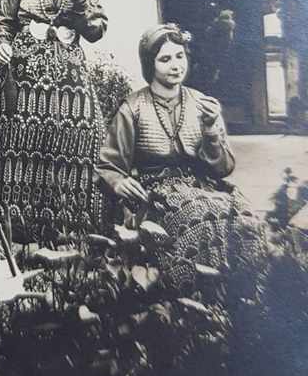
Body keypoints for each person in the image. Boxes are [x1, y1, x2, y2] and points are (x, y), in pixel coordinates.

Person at [96, 23, 267, 295]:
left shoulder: (201, 103)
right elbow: (108, 164)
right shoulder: (133, 107)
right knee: (197, 214)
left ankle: (240, 295)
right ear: (149, 64)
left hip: (203, 186)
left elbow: (224, 168)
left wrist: (211, 129)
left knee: (244, 215)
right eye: (165, 59)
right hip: (156, 194)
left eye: (180, 56)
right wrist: (118, 182)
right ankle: (190, 298)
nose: (175, 65)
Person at [0, 0, 108, 242]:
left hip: (69, 77)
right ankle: (20, 232)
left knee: (81, 140)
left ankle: (74, 229)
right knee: (22, 146)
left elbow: (97, 31)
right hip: (25, 73)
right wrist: (2, 44)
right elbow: (2, 20)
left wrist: (81, 5)